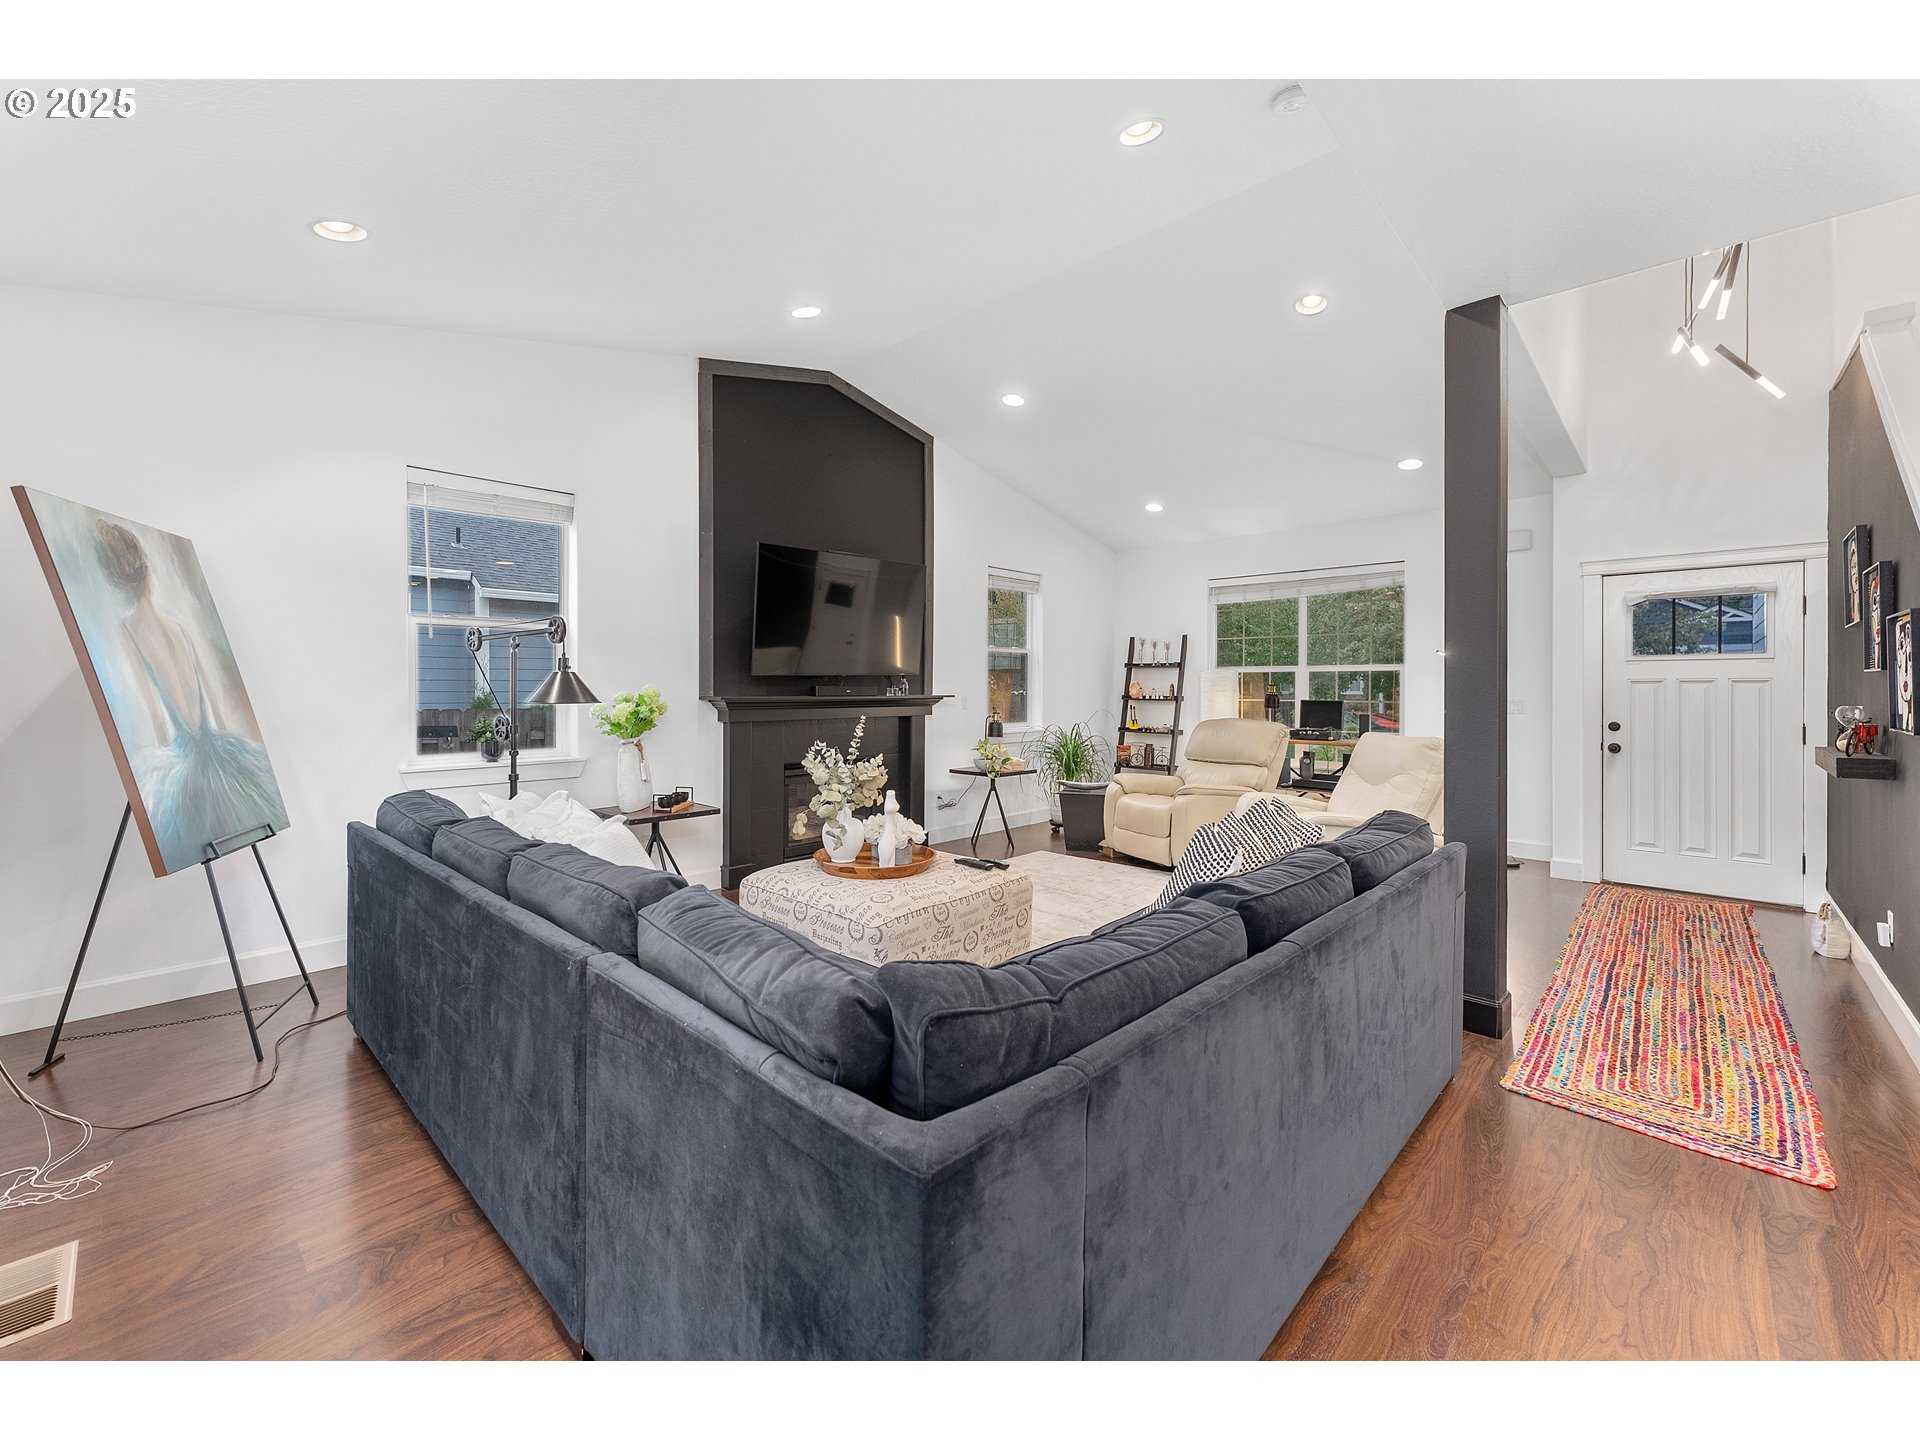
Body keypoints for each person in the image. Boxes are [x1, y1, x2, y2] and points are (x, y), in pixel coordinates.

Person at [95, 517, 286, 870]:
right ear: (149, 572)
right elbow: (214, 709)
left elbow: (159, 726)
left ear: (118, 582)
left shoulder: (129, 631)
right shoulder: (180, 628)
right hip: (223, 751)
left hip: (184, 761)